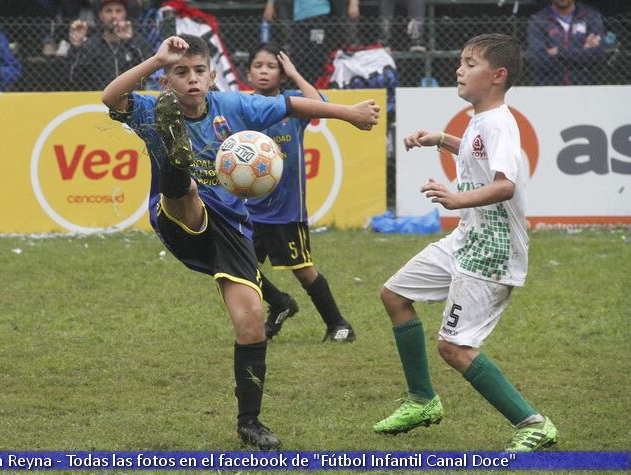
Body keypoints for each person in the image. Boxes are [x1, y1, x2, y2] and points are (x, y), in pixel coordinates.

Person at [102, 34, 379, 449]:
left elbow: (290, 105)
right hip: (177, 217)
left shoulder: (233, 107)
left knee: (251, 323)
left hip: (232, 230)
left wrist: (348, 112)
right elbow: (110, 96)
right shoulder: (148, 108)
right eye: (180, 72)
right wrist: (155, 58)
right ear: (165, 82)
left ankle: (249, 423)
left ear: (213, 77)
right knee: (187, 193)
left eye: (199, 71)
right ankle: (178, 170)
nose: (192, 79)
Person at [373, 33, 558, 452]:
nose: (459, 68)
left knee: (454, 347)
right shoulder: (481, 118)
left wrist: (456, 199)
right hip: (467, 237)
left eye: (470, 63)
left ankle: (533, 423)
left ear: (497, 76)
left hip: (492, 251)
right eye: (460, 60)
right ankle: (422, 400)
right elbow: (477, 154)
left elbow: (505, 184)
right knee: (395, 294)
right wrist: (441, 139)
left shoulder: (500, 123)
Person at [245, 42, 356, 343]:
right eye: (259, 66)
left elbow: (322, 103)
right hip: (250, 208)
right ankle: (280, 303)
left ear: (281, 75)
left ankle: (338, 324)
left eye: (272, 67)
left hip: (285, 209)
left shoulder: (293, 102)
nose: (264, 71)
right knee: (238, 268)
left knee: (303, 270)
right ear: (249, 73)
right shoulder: (243, 106)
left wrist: (295, 74)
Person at [61, 0, 153, 91]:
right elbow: (74, 79)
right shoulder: (91, 45)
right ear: (100, 15)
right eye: (108, 11)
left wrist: (130, 42)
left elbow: (150, 71)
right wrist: (77, 46)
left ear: (125, 14)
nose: (113, 16)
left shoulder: (137, 41)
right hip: (97, 100)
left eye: (118, 11)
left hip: (132, 99)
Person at [527, 0, 605, 85]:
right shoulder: (538, 20)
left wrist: (558, 52)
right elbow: (539, 59)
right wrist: (582, 51)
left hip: (584, 87)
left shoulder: (590, 17)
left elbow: (597, 55)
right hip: (548, 88)